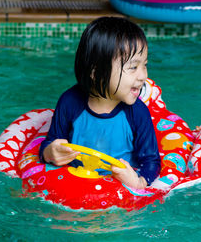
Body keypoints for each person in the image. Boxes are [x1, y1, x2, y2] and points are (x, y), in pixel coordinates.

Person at [39, 17, 160, 189]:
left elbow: (151, 161)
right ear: (96, 72)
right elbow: (51, 142)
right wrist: (50, 153)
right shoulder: (70, 103)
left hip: (118, 191)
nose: (143, 76)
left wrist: (139, 182)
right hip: (76, 182)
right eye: (133, 67)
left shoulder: (137, 113)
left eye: (144, 65)